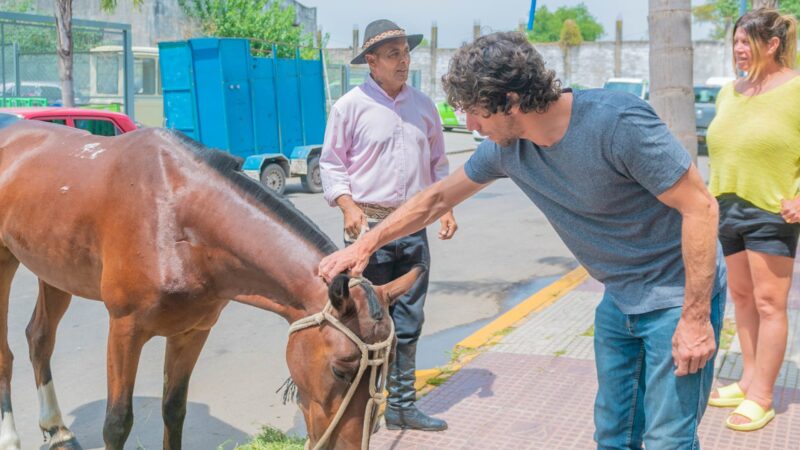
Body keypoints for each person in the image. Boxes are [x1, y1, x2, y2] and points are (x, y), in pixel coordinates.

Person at [319, 31, 728, 449]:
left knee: (668, 440)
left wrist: (695, 318)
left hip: (677, 295)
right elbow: (437, 198)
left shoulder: (616, 123)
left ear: (511, 101)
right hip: (620, 296)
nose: (471, 126)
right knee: (614, 434)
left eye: (476, 113)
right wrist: (365, 245)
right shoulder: (506, 149)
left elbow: (701, 208)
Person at [319, 19, 456, 431]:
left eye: (406, 52)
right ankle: (364, 409)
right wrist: (346, 205)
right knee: (364, 322)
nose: (403, 60)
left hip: (414, 230)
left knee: (410, 320)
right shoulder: (349, 106)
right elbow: (332, 164)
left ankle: (400, 406)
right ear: (372, 62)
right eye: (393, 53)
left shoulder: (424, 106)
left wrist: (446, 207)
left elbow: (438, 165)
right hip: (368, 236)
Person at [705, 8, 800, 432]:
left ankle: (763, 395)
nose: (739, 50)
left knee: (768, 303)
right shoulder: (730, 91)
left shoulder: (796, 88)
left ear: (773, 44)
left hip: (770, 208)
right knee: (742, 299)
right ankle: (747, 380)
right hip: (726, 206)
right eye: (735, 43)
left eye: (747, 42)